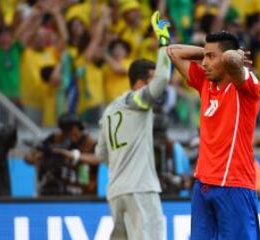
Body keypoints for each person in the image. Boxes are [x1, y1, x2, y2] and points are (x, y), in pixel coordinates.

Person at [60, 11, 171, 240]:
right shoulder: (136, 101)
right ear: (140, 83)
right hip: (140, 189)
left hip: (116, 193)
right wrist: (163, 42)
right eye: (149, 80)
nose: (153, 89)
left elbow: (101, 155)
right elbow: (162, 80)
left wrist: (74, 155)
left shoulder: (110, 111)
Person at [167, 31, 260, 239]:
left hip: (234, 186)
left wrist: (227, 56)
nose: (204, 63)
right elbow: (173, 52)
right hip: (203, 185)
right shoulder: (205, 84)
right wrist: (210, 52)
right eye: (204, 57)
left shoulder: (245, 88)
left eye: (211, 57)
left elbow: (230, 59)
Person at [25, 113, 97, 196]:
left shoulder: (89, 143)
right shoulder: (55, 139)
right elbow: (29, 158)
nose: (72, 135)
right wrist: (41, 156)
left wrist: (71, 155)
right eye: (67, 131)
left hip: (83, 194)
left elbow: (98, 159)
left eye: (75, 131)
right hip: (55, 193)